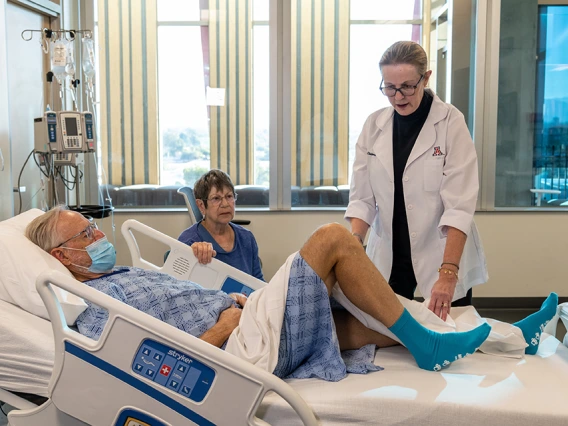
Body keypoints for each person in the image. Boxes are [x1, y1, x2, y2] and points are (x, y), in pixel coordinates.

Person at [26, 207, 557, 381]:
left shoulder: (121, 276)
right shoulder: (89, 310)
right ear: (61, 257)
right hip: (239, 345)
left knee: (378, 313)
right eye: (87, 235)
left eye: (95, 230)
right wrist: (222, 328)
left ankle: (512, 337)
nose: (100, 238)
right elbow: (154, 369)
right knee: (332, 239)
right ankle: (431, 347)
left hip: (247, 319)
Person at [346, 40, 487, 320]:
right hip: (390, 253)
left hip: (441, 252)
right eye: (389, 87)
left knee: (452, 333)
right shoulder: (374, 126)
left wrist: (448, 273)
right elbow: (362, 200)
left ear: (426, 78)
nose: (398, 97)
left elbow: (458, 206)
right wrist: (351, 252)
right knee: (390, 338)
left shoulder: (450, 123)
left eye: (407, 86)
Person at [177, 169, 264, 281]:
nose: (225, 204)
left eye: (229, 196)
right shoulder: (189, 242)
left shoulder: (247, 238)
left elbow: (258, 282)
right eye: (216, 198)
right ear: (201, 205)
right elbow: (182, 293)